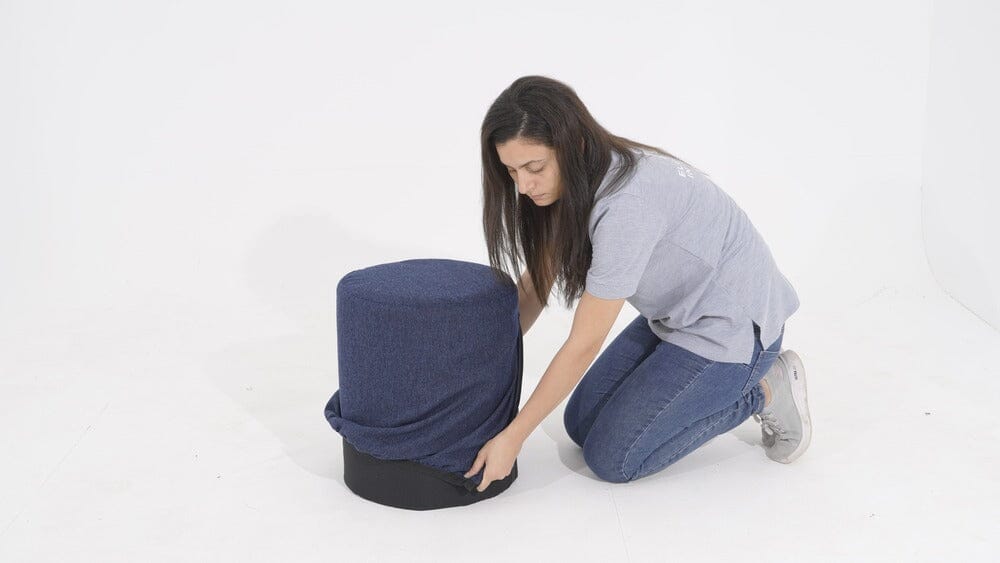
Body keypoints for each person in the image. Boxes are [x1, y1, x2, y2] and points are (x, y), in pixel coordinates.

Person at [464, 75, 811, 491]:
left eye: (534, 168)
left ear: (574, 145)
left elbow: (584, 343)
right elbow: (535, 285)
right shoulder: (578, 180)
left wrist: (513, 437)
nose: (523, 186)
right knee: (580, 425)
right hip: (677, 315)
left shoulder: (626, 207)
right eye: (511, 171)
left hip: (735, 331)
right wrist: (479, 364)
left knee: (614, 459)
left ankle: (767, 388)